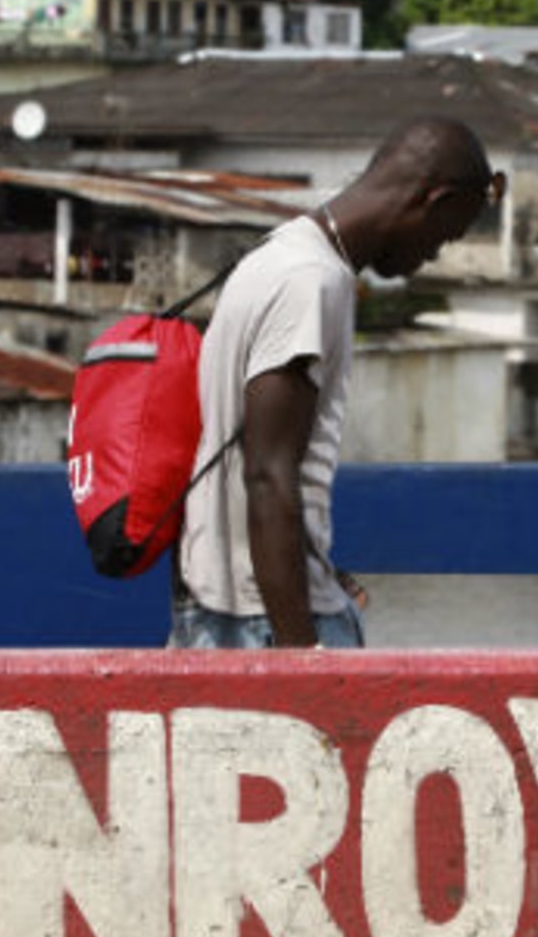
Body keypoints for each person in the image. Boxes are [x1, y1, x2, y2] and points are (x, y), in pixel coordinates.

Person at [175, 116, 503, 649]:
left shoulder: (276, 252)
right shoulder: (311, 282)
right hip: (267, 623)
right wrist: (302, 659)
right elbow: (267, 474)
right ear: (433, 200)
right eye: (444, 236)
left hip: (225, 606)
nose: (432, 256)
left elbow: (240, 448)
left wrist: (313, 558)